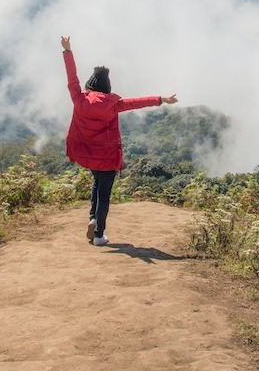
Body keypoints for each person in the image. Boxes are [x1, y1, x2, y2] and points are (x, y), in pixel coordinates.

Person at [60, 35, 178, 246]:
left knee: (96, 184)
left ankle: (93, 219)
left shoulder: (78, 98)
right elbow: (137, 103)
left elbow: (72, 77)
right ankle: (98, 235)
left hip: (88, 155)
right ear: (107, 87)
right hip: (107, 157)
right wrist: (162, 99)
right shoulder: (113, 104)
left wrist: (67, 50)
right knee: (104, 193)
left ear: (89, 85)